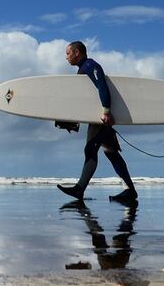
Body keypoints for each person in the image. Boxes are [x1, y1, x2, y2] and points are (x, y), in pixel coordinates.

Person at [57, 41, 137, 204]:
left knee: (90, 150)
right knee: (111, 153)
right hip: (98, 116)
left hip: (100, 118)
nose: (66, 57)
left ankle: (80, 189)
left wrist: (106, 111)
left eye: (68, 53)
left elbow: (102, 86)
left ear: (77, 52)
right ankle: (130, 190)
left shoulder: (90, 65)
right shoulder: (83, 69)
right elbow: (85, 99)